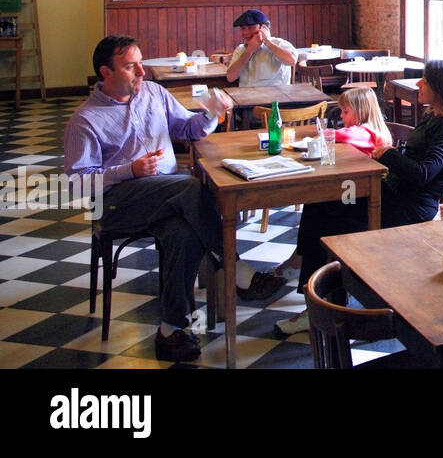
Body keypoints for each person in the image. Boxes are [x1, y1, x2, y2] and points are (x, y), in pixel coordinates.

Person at [62, 35, 287, 362]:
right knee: (192, 187)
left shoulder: (154, 93)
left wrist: (212, 112)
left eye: (141, 62)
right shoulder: (84, 120)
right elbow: (76, 185)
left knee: (185, 234)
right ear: (105, 73)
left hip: (169, 196)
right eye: (130, 66)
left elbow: (189, 129)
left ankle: (170, 329)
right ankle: (235, 269)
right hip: (116, 204)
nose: (141, 71)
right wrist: (129, 170)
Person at [278, 59, 443, 335]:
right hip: (395, 196)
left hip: (406, 209)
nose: (419, 84)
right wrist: (391, 155)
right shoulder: (435, 117)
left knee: (326, 217)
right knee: (321, 203)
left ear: (441, 89)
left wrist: (388, 154)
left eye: (425, 81)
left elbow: (423, 174)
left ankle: (316, 303)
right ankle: (313, 285)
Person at [274, 87, 394, 335]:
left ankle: (312, 296)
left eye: (347, 112)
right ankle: (304, 270)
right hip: (354, 195)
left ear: (360, 113)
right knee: (315, 206)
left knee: (318, 219)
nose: (343, 116)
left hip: (362, 203)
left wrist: (326, 132)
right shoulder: (368, 129)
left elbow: (344, 136)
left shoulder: (366, 132)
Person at [225, 9, 297, 87]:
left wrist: (267, 41)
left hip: (273, 98)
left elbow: (292, 61)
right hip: (246, 97)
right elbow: (230, 77)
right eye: (243, 28)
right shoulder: (241, 49)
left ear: (264, 28)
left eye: (250, 27)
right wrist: (249, 50)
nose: (245, 32)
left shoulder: (278, 43)